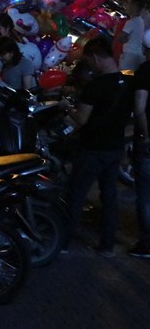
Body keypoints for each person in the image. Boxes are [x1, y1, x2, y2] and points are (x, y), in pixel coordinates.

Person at [63, 37, 132, 256]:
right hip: (115, 147)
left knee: (76, 193)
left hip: (93, 148)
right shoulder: (127, 82)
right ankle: (107, 246)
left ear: (94, 57)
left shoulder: (96, 85)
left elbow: (81, 119)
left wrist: (66, 108)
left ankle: (62, 242)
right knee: (109, 196)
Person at [131, 46, 150, 258]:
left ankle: (147, 244)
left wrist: (145, 135)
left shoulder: (146, 69)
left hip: (146, 141)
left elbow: (139, 105)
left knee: (145, 194)